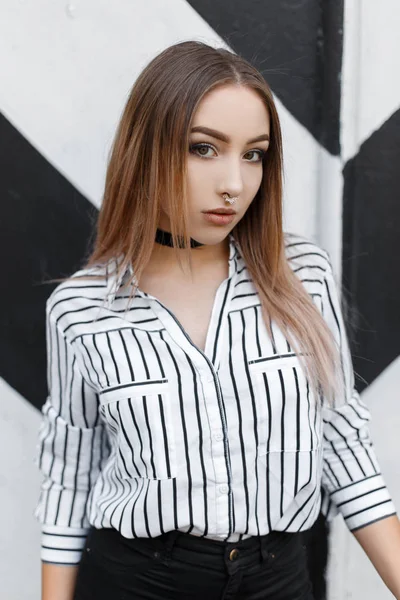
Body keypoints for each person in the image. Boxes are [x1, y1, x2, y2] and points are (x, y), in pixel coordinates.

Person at [34, 41, 400, 600]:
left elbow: (343, 445)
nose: (234, 182)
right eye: (204, 148)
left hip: (277, 577)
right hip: (138, 580)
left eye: (253, 154)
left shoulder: (303, 275)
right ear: (146, 150)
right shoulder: (81, 310)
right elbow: (70, 476)